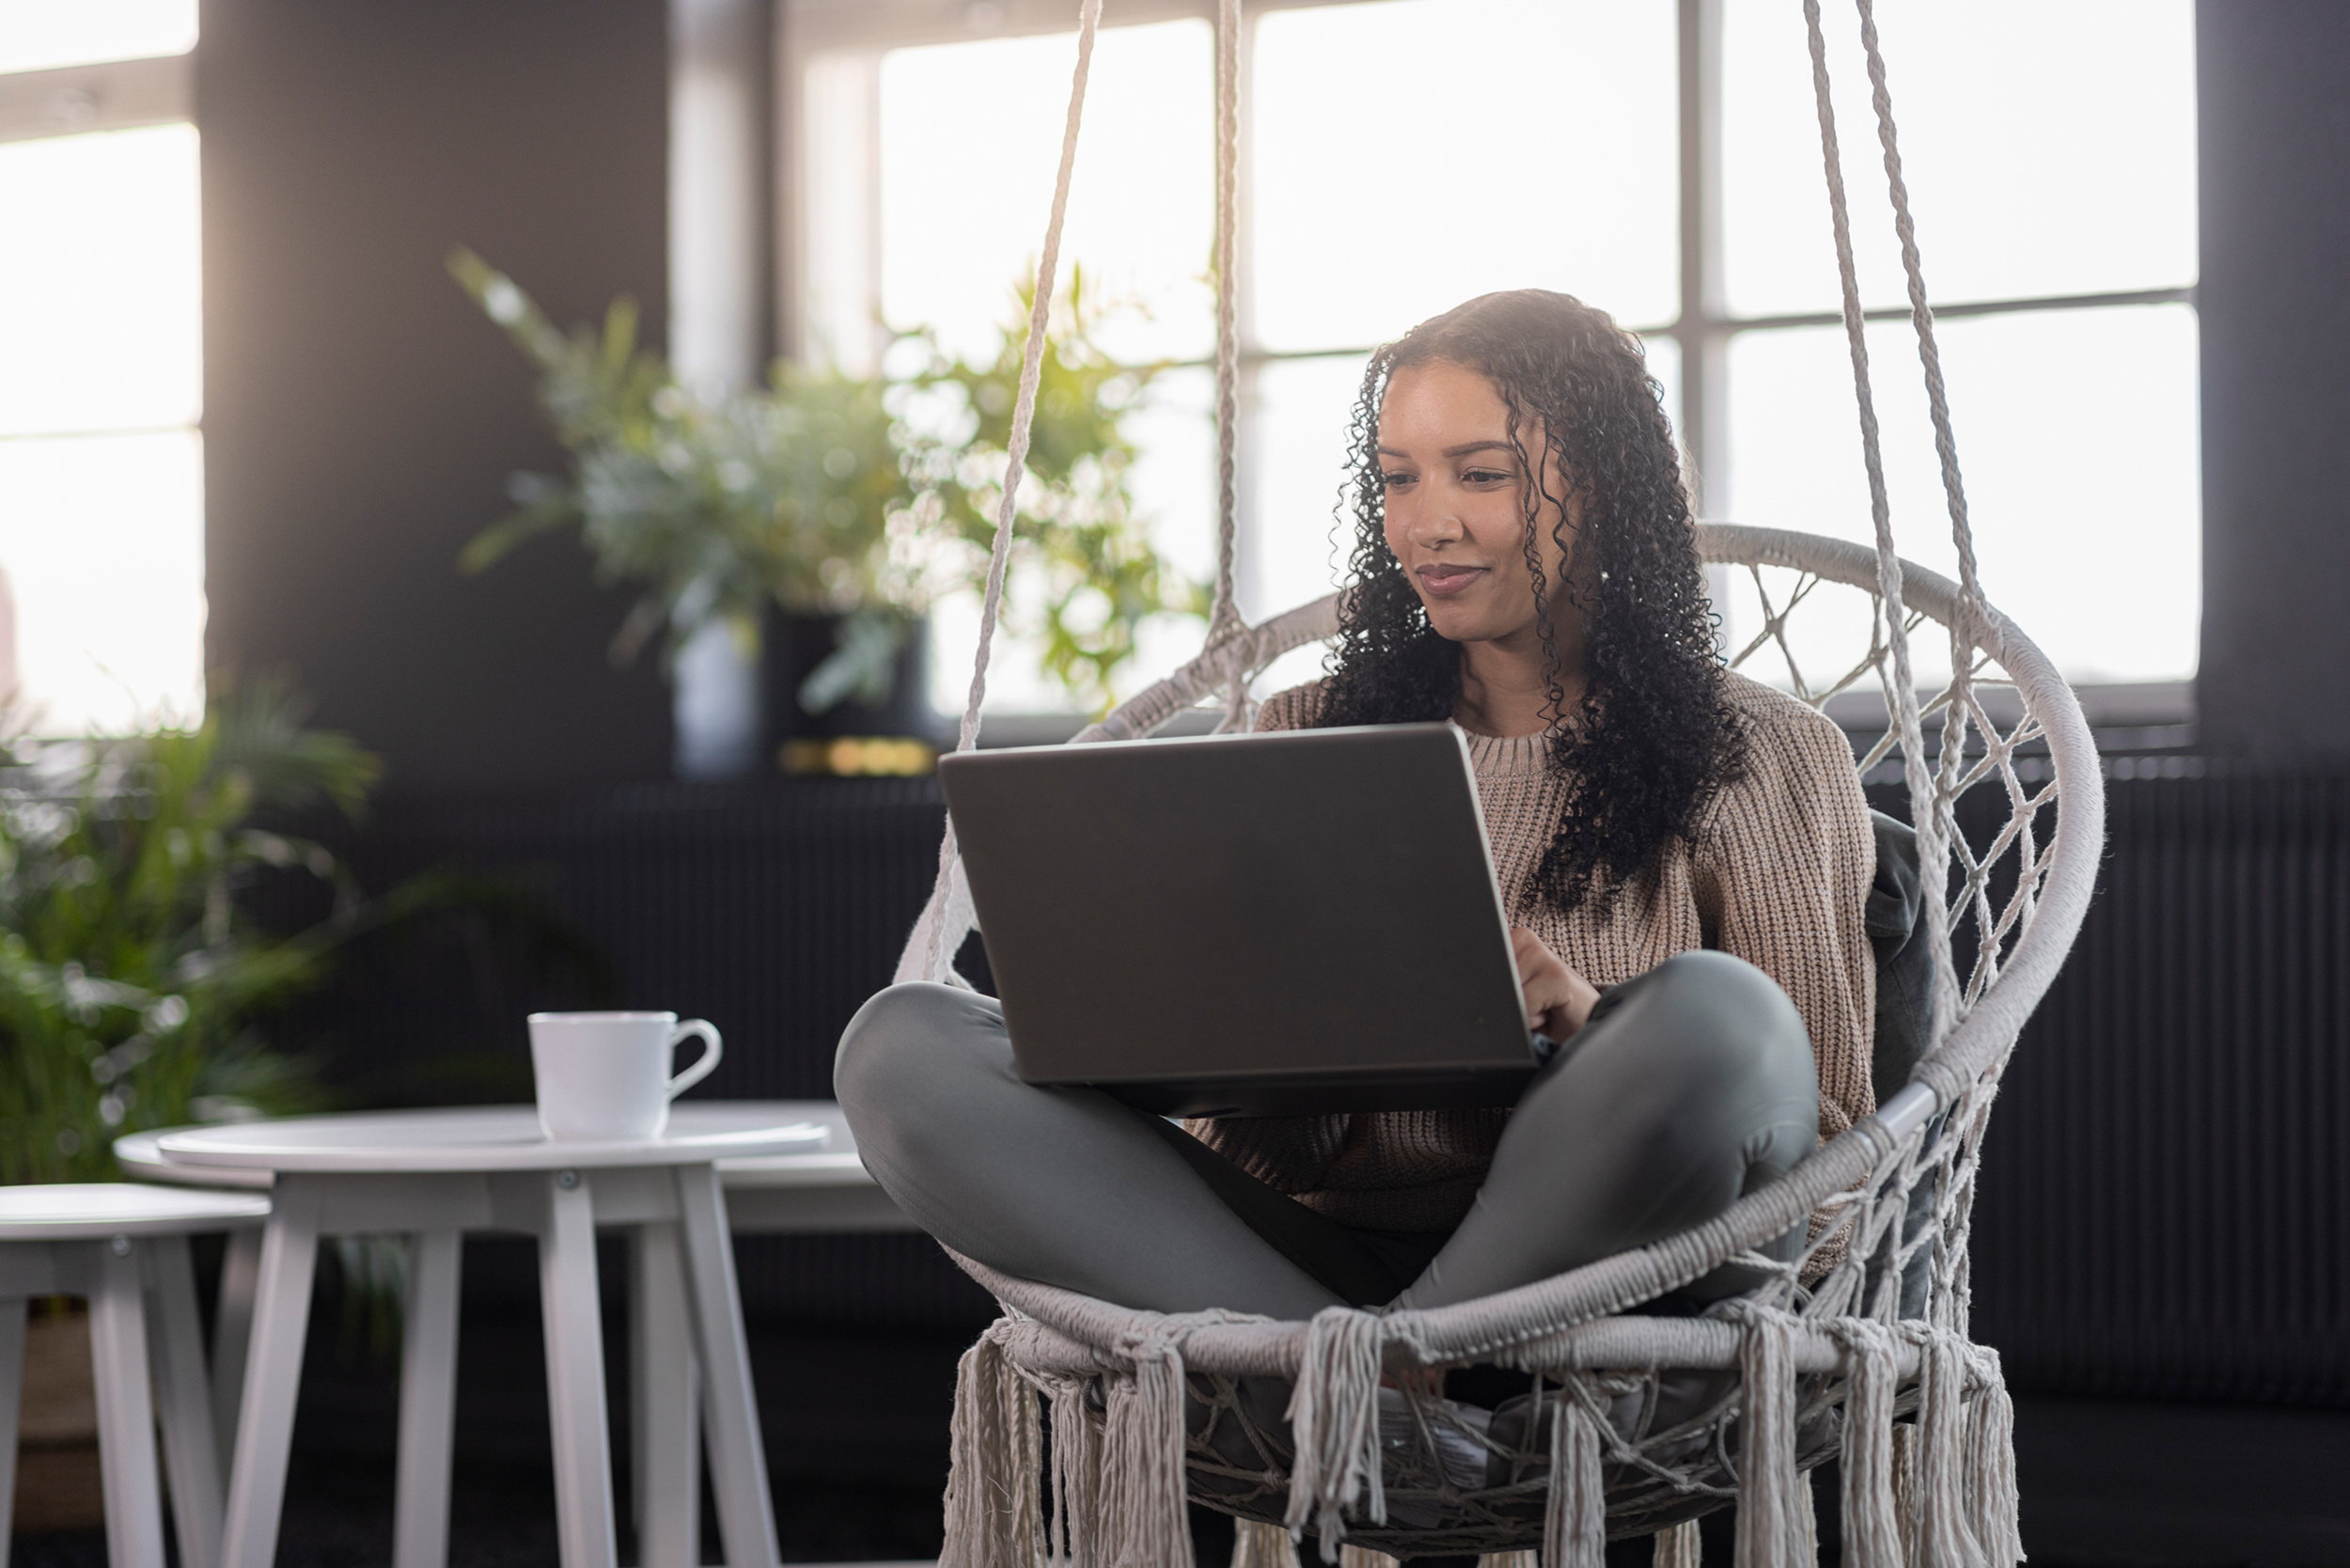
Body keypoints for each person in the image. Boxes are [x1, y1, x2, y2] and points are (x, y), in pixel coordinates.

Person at [835, 289, 1875, 1327]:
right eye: (1397, 479)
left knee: (1718, 1017)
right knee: (899, 1049)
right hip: (1313, 1273)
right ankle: (1399, 1385)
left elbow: (1826, 1175)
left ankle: (1378, 1382)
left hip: (1616, 1281)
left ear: (1600, 487)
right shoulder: (1304, 734)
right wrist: (1226, 1047)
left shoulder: (1766, 754)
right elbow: (1246, 1159)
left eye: (1481, 474)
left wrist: (1597, 1029)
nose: (1428, 524)